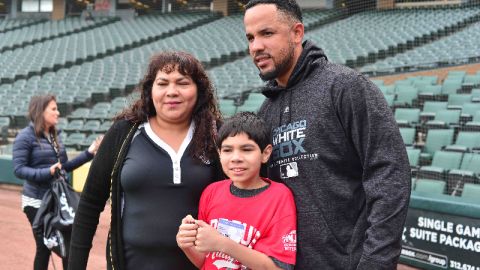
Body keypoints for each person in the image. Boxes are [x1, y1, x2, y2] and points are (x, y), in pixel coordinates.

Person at [243, 1, 411, 269]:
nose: (256, 47)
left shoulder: (346, 87)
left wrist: (375, 263)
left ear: (297, 33)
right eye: (250, 38)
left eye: (267, 34)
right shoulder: (266, 111)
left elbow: (390, 176)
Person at [68, 51, 224, 270]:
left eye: (182, 82)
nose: (172, 91)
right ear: (151, 90)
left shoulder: (217, 136)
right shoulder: (124, 133)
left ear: (199, 90)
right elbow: (89, 204)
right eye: (162, 83)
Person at [177, 112, 296, 270]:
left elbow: (279, 267)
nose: (236, 158)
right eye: (227, 150)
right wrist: (187, 244)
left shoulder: (279, 196)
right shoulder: (211, 192)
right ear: (219, 154)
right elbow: (205, 262)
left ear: (265, 153)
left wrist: (223, 244)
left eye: (246, 149)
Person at [13, 94, 102, 270]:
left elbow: (64, 167)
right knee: (45, 247)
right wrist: (47, 172)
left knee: (67, 248)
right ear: (40, 111)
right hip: (37, 202)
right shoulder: (25, 136)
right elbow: (19, 169)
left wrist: (89, 152)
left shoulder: (55, 136)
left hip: (58, 201)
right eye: (53, 109)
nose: (58, 113)